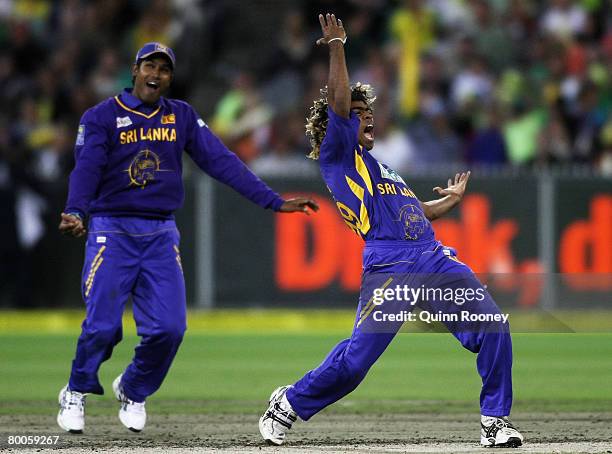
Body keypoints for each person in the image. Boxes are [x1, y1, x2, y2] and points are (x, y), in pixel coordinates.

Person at [259, 14, 524, 448]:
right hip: (390, 266)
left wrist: (448, 203)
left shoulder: (384, 169)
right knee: (356, 365)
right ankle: (288, 402)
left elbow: (415, 213)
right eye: (358, 114)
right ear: (337, 124)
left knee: (493, 326)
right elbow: (340, 103)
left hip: (432, 258)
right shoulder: (338, 155)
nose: (368, 120)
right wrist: (339, 46)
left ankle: (494, 421)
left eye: (370, 114)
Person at [57, 42, 318, 434]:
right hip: (112, 229)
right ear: (135, 70)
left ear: (169, 77)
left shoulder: (181, 117)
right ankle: (75, 391)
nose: (156, 74)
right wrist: (77, 210)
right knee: (102, 327)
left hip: (161, 233)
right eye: (150, 66)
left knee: (170, 329)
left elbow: (222, 161)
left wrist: (272, 201)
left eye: (164, 69)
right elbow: (87, 167)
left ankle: (133, 388)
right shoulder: (102, 117)